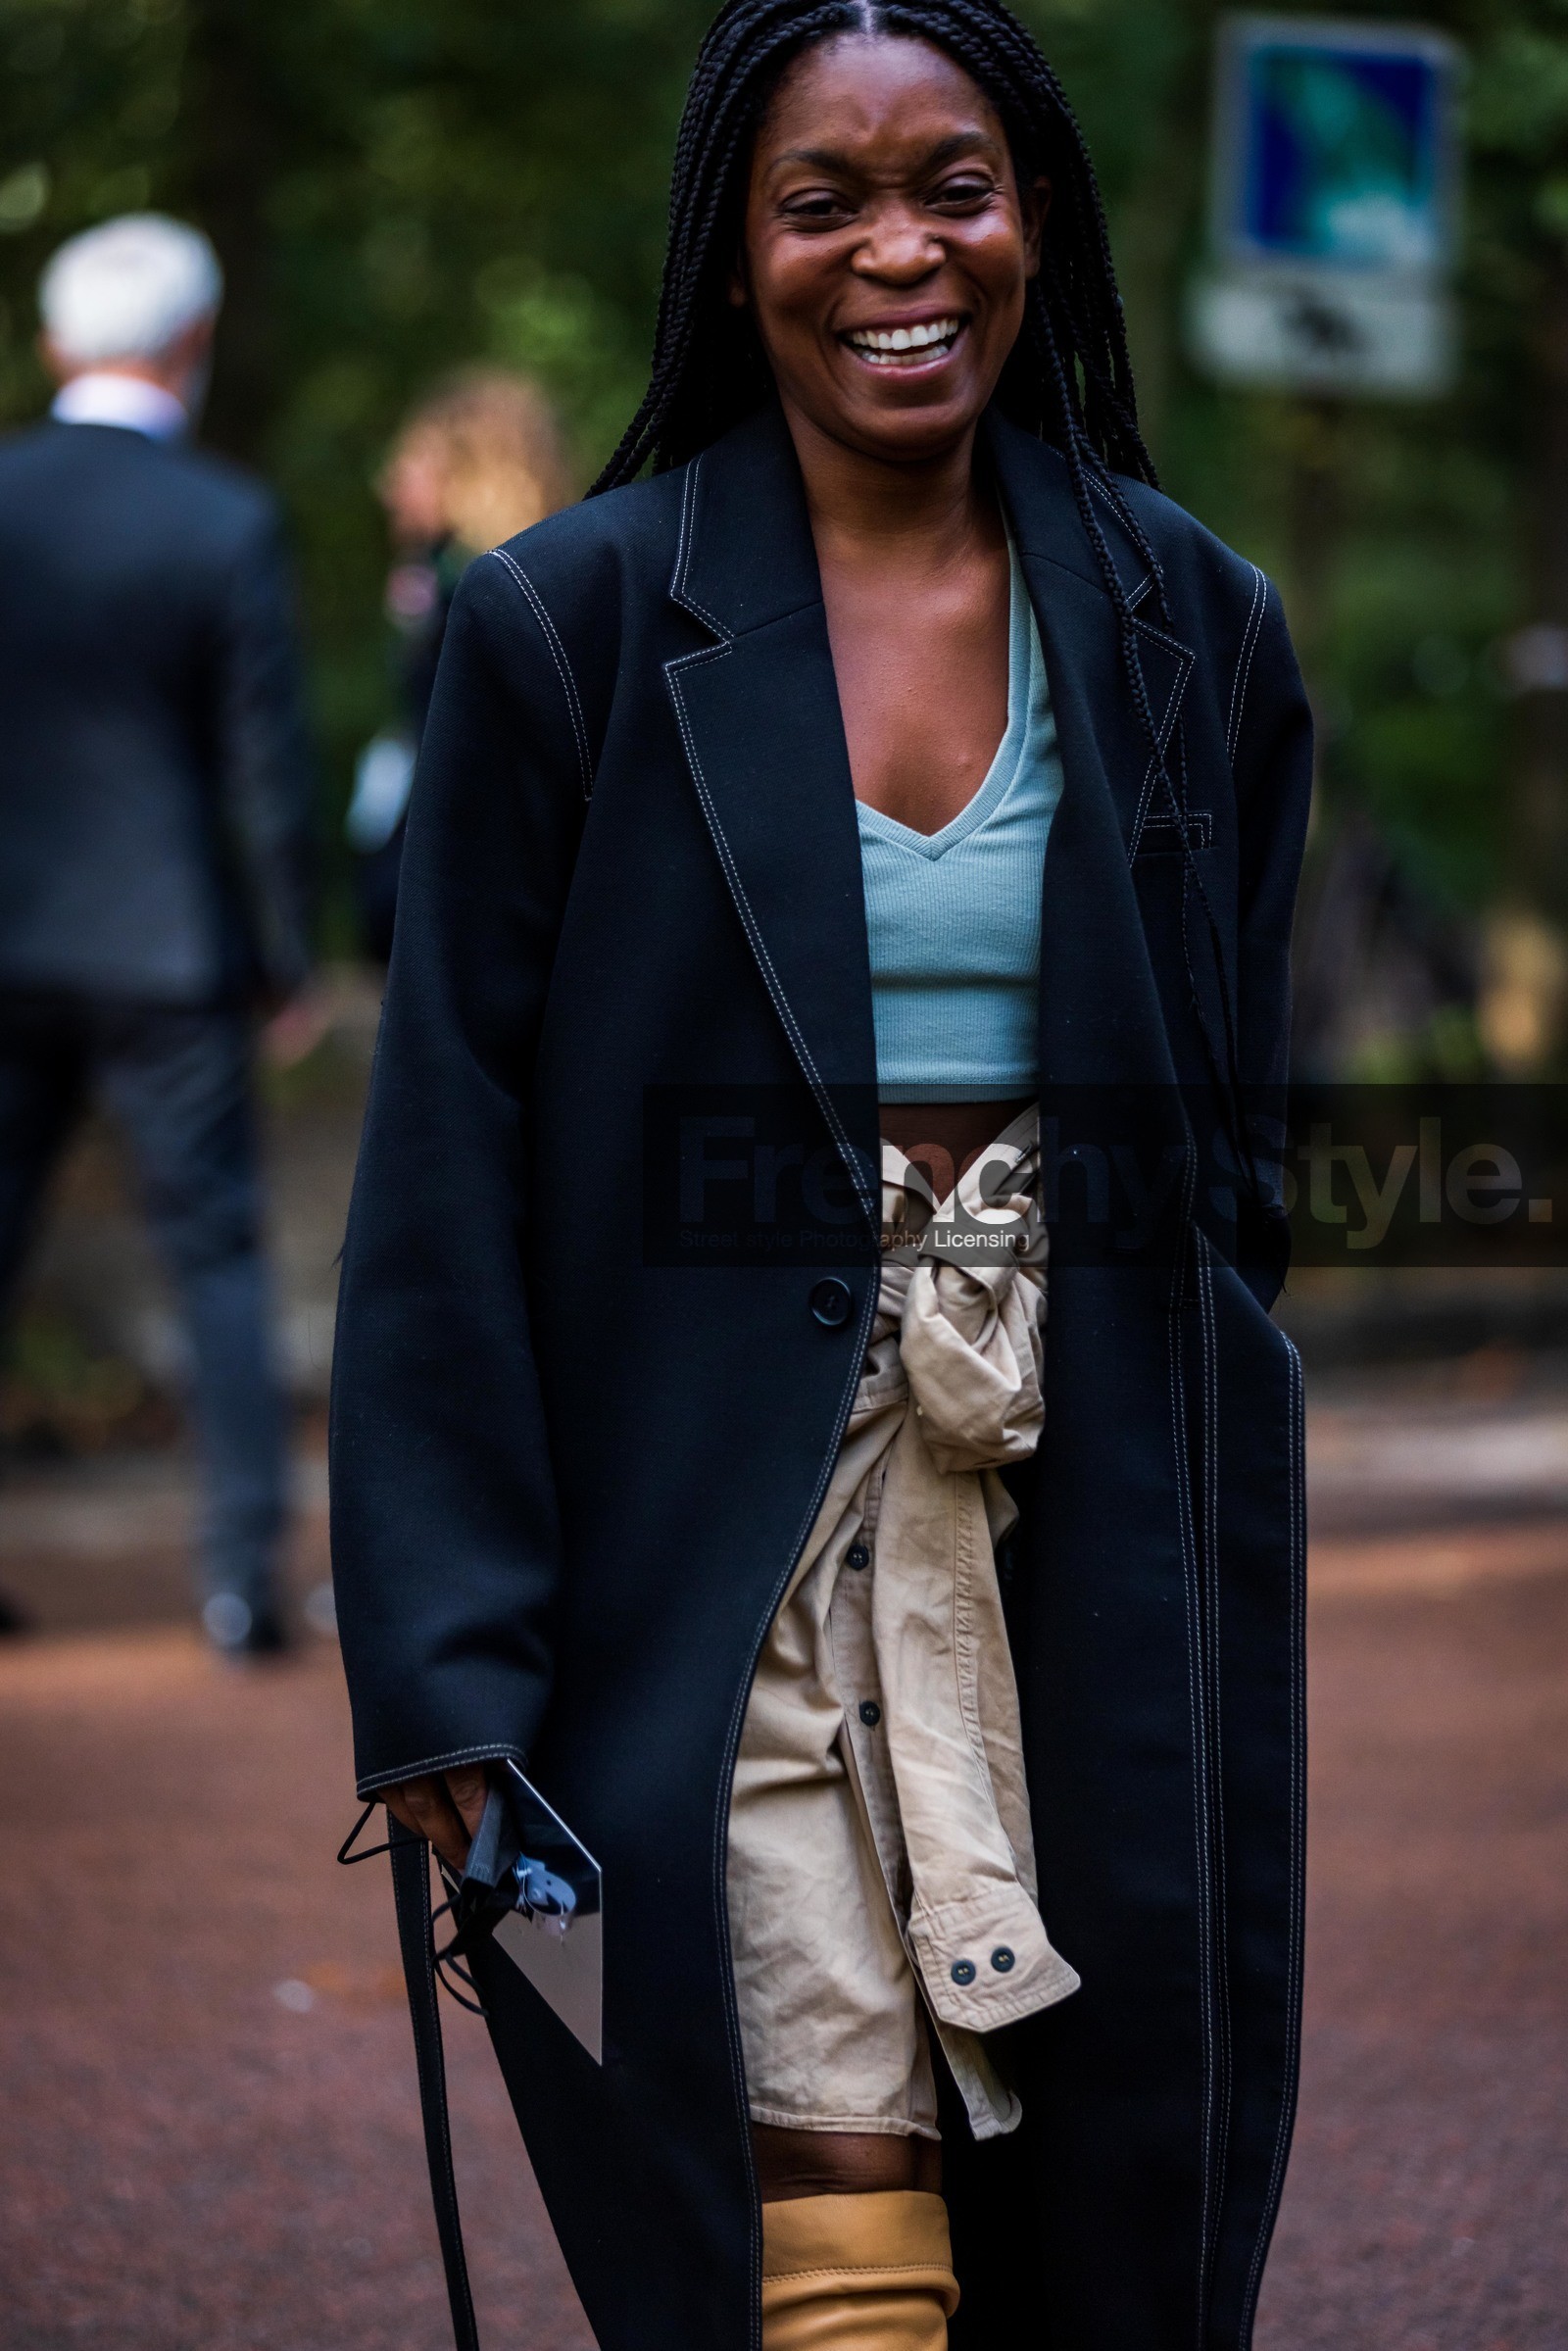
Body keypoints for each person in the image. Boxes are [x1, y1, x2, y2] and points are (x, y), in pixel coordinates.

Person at [330, 5, 1312, 2347]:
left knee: (1092, 2158)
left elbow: (1234, 1144)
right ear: (731, 245)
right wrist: (450, 1668)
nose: (898, 247)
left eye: (951, 186)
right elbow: (441, 1156)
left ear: (1031, 218)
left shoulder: (1194, 629)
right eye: (822, 198)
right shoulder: (563, 629)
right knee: (784, 2104)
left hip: (1080, 1511)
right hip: (703, 1523)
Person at [0, 215, 315, 1658]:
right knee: (217, 1255)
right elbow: (264, 767)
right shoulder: (222, 519)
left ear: (59, 345)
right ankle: (242, 1577)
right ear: (187, 344)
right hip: (166, 950)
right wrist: (284, 952)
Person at [346, 370, 574, 959]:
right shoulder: (451, 581)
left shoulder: (491, 599)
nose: (389, 484)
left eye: (412, 463)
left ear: (472, 473)